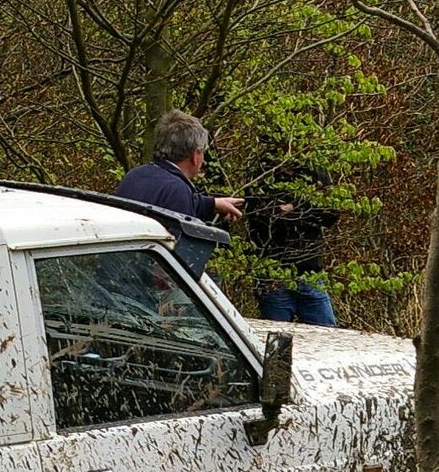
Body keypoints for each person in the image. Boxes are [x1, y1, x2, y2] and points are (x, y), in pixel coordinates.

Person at [247, 162, 339, 326]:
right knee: (276, 335)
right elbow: (260, 216)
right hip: (272, 274)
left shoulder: (316, 170)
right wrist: (308, 205)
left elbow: (331, 213)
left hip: (311, 274)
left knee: (327, 332)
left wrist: (292, 207)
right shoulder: (263, 172)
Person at [116, 111, 244, 225]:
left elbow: (158, 198)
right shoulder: (177, 190)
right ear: (195, 156)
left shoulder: (134, 176)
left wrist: (211, 204)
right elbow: (179, 242)